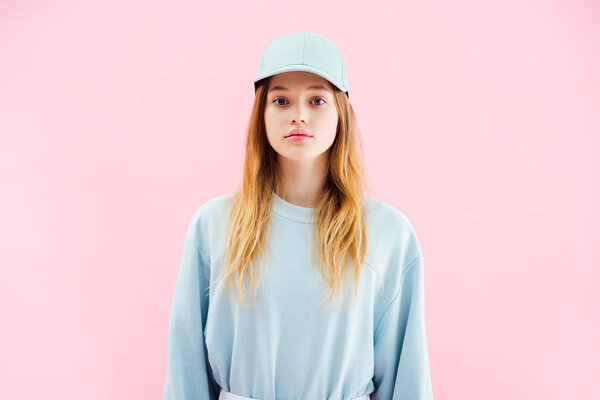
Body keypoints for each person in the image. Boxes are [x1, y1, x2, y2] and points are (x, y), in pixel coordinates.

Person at [162, 30, 434, 400]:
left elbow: (407, 377)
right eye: (281, 100)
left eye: (318, 100)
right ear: (262, 114)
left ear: (342, 114)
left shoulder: (387, 233)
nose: (299, 116)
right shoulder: (214, 226)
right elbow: (186, 369)